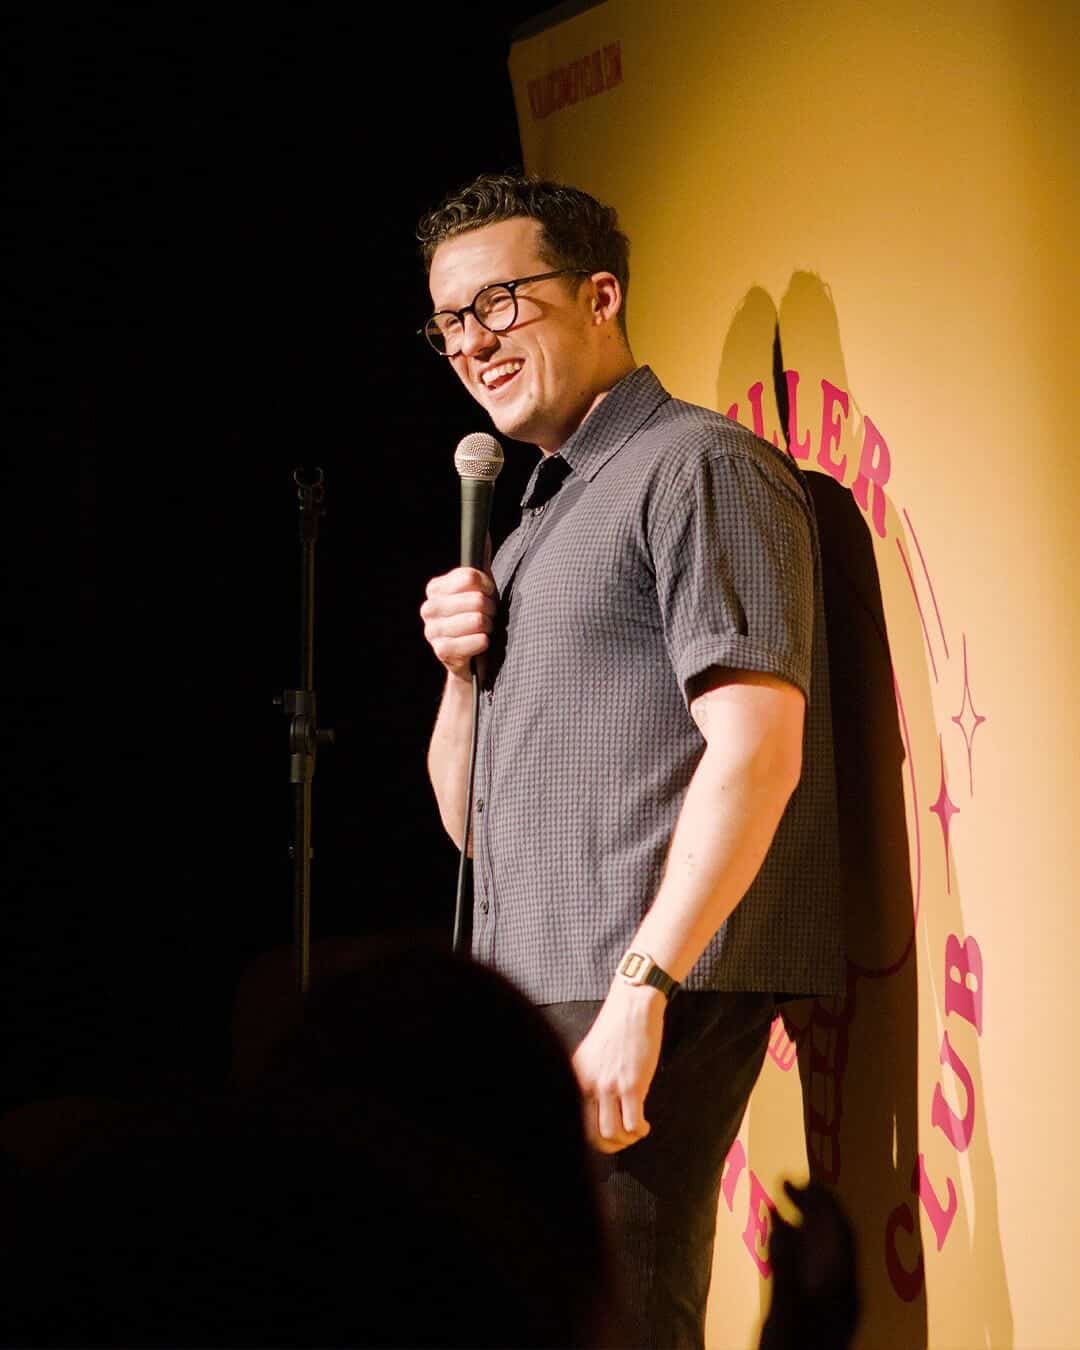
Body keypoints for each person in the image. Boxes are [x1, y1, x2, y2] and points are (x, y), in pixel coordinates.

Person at [417, 171, 844, 1349]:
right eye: (449, 321)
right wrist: (459, 674)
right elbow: (470, 824)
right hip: (537, 995)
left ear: (601, 296)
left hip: (640, 983)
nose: (472, 343)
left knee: (625, 1321)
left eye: (499, 303)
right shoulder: (533, 521)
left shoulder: (697, 465)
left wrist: (643, 989)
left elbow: (757, 751)